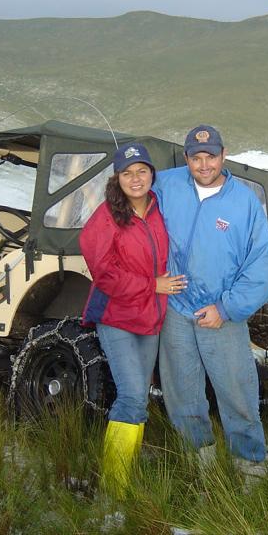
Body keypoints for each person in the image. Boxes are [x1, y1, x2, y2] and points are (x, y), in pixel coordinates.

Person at [153, 124, 268, 472]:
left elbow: (262, 268)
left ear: (224, 155)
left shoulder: (245, 203)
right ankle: (198, 458)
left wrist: (226, 308)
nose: (204, 165)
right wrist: (150, 278)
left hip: (220, 312)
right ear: (186, 158)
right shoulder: (167, 184)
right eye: (196, 157)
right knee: (181, 389)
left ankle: (250, 462)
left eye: (211, 156)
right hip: (176, 307)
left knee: (236, 390)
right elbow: (133, 219)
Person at [80, 142, 187, 497]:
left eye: (141, 171)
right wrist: (152, 284)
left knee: (139, 397)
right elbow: (103, 272)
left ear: (152, 175)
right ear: (117, 178)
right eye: (127, 173)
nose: (135, 178)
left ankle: (124, 473)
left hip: (151, 320)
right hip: (117, 318)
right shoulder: (107, 216)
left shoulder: (159, 211)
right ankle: (114, 486)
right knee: (131, 395)